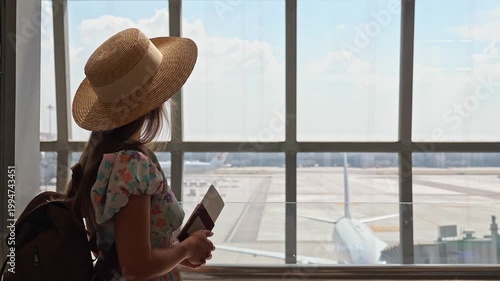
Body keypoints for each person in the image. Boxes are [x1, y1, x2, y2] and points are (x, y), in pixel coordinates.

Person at [66, 28, 215, 281]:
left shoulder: (101, 160)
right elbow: (136, 268)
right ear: (155, 104)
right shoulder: (133, 165)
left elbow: (124, 249)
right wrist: (188, 247)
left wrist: (176, 254)